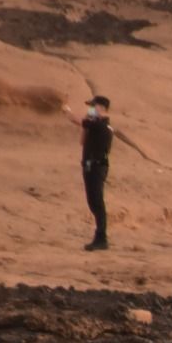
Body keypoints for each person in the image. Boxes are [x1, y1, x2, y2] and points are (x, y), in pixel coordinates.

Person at [63, 95, 113, 251]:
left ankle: (101, 238)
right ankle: (100, 237)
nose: (90, 109)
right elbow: (82, 141)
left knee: (97, 202)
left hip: (96, 167)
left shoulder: (102, 124)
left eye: (93, 106)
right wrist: (86, 124)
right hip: (90, 166)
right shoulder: (95, 124)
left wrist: (67, 110)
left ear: (102, 108)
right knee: (93, 202)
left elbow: (77, 120)